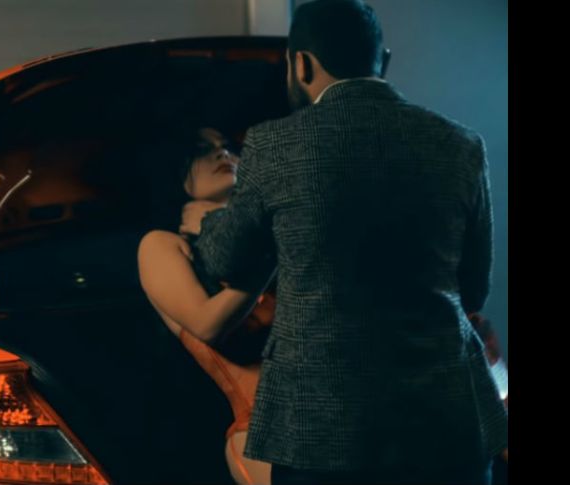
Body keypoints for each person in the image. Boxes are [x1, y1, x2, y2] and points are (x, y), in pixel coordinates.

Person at [179, 1, 508, 483]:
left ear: (301, 64)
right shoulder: (461, 145)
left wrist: (207, 220)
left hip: (321, 430)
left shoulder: (275, 145)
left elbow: (224, 260)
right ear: (384, 59)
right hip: (447, 424)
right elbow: (473, 289)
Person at [138, 127, 276, 484]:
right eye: (202, 149)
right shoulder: (160, 244)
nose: (222, 154)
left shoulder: (268, 233)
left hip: (344, 418)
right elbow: (207, 324)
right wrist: (271, 255)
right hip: (265, 434)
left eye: (227, 147)